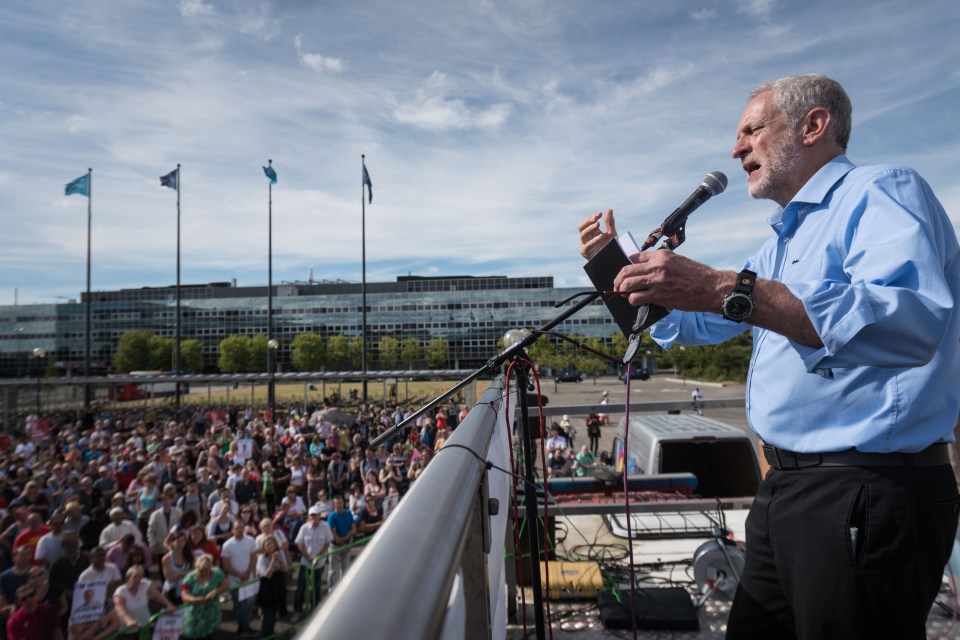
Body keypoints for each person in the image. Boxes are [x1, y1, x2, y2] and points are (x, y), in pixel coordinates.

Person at [580, 73, 960, 640]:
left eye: (752, 130)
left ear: (814, 125)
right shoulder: (777, 244)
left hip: (864, 487)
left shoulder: (881, 190)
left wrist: (726, 288)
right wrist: (621, 272)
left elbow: (908, 318)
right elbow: (694, 322)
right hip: (784, 488)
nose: (736, 149)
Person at [112, 565, 175, 635]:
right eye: (135, 577)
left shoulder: (144, 584)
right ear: (128, 578)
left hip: (145, 626)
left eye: (140, 576)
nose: (138, 579)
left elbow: (157, 595)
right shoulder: (120, 591)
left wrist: (169, 605)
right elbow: (120, 609)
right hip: (128, 630)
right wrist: (128, 620)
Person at [220, 520, 256, 636]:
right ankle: (243, 629)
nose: (239, 530)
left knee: (249, 605)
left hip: (249, 579)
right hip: (234, 581)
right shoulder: (227, 545)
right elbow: (226, 566)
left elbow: (253, 558)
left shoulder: (251, 541)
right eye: (237, 528)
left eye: (241, 528)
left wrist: (248, 573)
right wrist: (241, 575)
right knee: (239, 606)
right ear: (232, 530)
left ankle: (244, 628)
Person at [180, 554, 228, 640]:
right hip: (195, 614)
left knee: (209, 635)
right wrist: (194, 599)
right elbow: (184, 595)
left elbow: (225, 585)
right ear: (196, 568)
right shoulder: (189, 578)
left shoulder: (217, 573)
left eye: (207, 570)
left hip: (212, 613)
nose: (205, 573)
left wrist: (216, 591)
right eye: (201, 570)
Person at [255, 536, 287, 637]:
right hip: (267, 589)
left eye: (271, 544)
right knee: (268, 615)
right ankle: (265, 635)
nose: (269, 546)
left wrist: (280, 561)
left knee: (274, 614)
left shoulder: (279, 553)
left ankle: (271, 633)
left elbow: (285, 569)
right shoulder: (262, 558)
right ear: (264, 546)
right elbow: (267, 575)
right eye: (267, 544)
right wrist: (273, 560)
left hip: (277, 587)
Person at [325, 496, 355, 592]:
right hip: (335, 546)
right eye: (337, 503)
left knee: (345, 568)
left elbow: (353, 528)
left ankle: (344, 589)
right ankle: (331, 590)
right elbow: (334, 535)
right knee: (332, 570)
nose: (339, 505)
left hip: (346, 543)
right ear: (334, 505)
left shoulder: (348, 513)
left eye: (341, 503)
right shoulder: (331, 516)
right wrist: (342, 542)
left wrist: (347, 538)